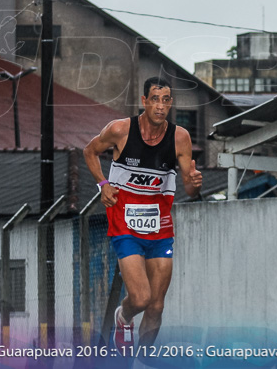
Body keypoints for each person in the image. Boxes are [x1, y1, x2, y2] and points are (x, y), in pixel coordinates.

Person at [83, 76, 202, 347]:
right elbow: (89, 151)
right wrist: (103, 184)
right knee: (140, 299)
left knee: (156, 307)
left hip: (160, 227)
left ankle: (143, 358)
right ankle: (123, 318)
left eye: (166, 100)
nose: (160, 106)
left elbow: (190, 189)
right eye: (155, 100)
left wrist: (193, 183)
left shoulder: (180, 137)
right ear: (144, 101)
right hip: (124, 224)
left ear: (170, 104)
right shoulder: (120, 130)